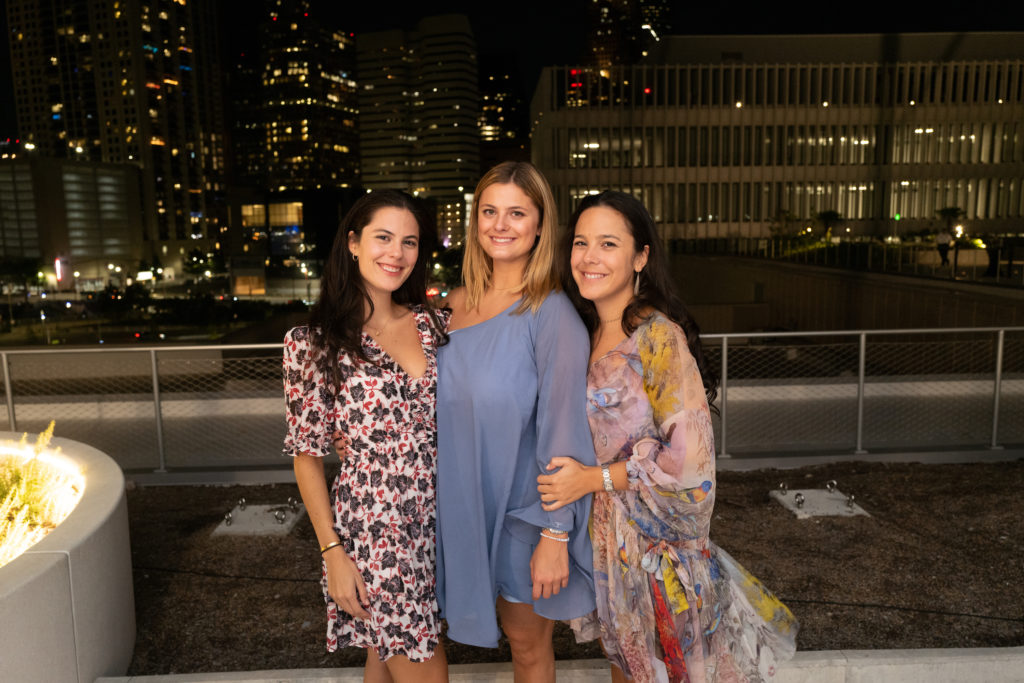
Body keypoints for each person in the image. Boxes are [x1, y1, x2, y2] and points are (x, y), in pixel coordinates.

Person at [538, 191, 798, 682]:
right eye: (580, 242)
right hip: (609, 546)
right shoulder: (585, 333)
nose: (589, 257)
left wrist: (594, 479)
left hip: (659, 554)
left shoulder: (656, 337)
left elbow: (691, 464)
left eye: (608, 244)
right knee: (628, 669)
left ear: (640, 257)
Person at [435, 161, 597, 682]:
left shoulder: (552, 316)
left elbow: (565, 431)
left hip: (521, 516)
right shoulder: (446, 310)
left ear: (540, 226)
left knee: (526, 648)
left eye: (516, 213)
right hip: (450, 509)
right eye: (489, 211)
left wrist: (555, 534)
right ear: (474, 220)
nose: (500, 225)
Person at [282, 190, 449, 683]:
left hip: (438, 523)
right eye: (383, 237)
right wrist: (333, 552)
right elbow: (306, 455)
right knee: (423, 669)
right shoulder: (312, 343)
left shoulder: (435, 325)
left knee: (382, 656)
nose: (396, 253)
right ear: (353, 243)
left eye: (410, 242)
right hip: (378, 533)